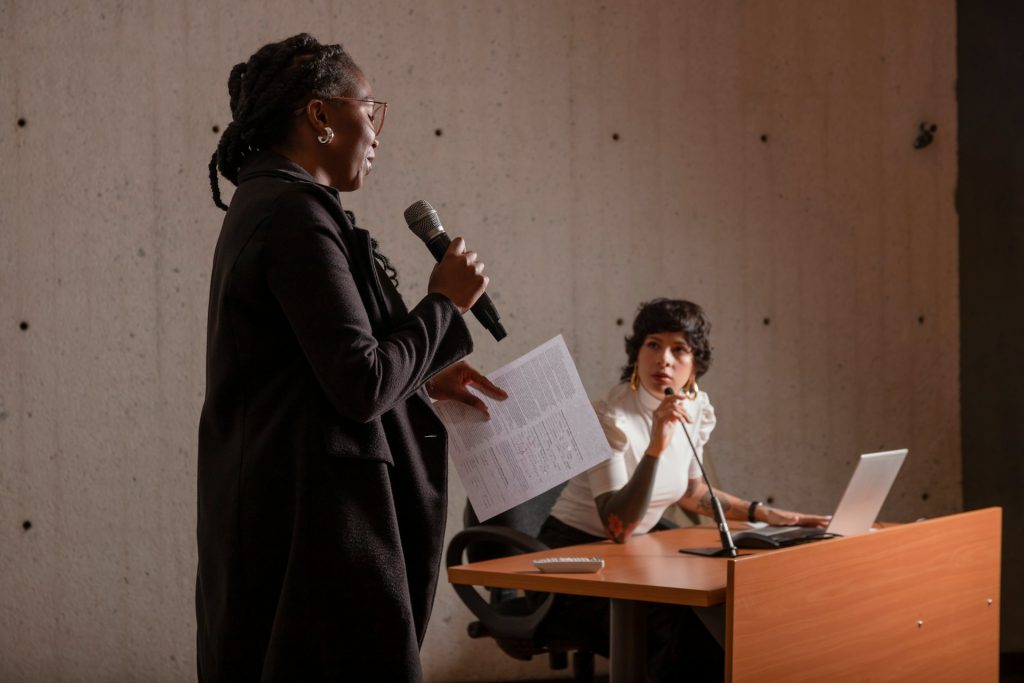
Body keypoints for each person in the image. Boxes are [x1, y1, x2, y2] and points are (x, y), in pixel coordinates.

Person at [197, 34, 506, 681]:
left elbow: (323, 363)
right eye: (371, 108)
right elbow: (361, 384)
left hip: (282, 517)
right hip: (319, 533)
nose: (377, 130)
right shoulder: (293, 214)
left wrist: (429, 366)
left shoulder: (272, 204)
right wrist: (444, 304)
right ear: (321, 115)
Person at [539, 298, 828, 680]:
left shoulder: (693, 407)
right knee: (682, 624)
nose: (664, 360)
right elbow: (617, 527)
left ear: (695, 366)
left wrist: (763, 513)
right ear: (637, 353)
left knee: (733, 603)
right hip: (575, 561)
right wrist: (656, 445)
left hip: (633, 555)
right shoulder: (608, 416)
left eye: (680, 350)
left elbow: (692, 494)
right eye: (653, 345)